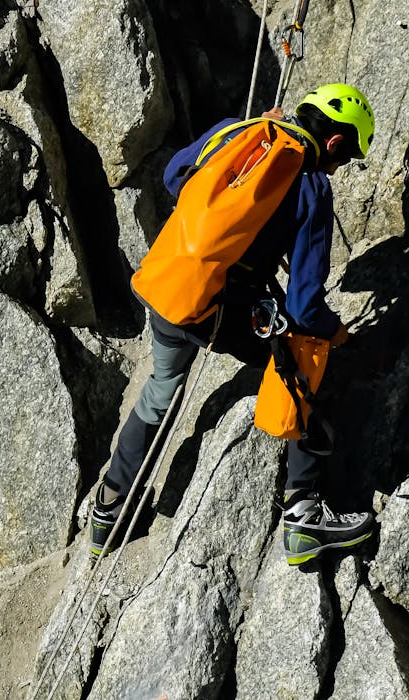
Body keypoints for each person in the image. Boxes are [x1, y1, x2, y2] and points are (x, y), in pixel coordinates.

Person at [90, 84, 377, 565]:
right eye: (344, 158)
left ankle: (109, 508)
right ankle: (304, 514)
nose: (337, 168)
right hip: (221, 310)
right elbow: (306, 307)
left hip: (170, 284)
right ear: (334, 144)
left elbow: (173, 175)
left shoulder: (239, 131)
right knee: (310, 360)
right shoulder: (311, 187)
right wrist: (336, 333)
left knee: (161, 388)